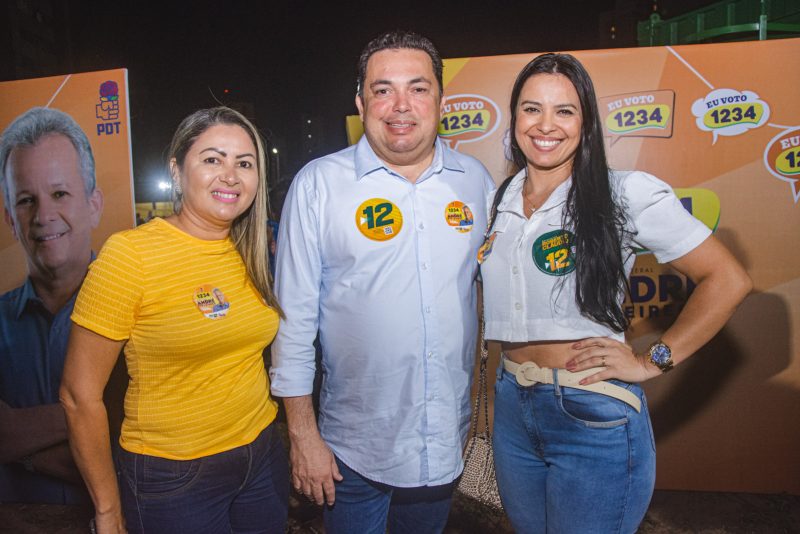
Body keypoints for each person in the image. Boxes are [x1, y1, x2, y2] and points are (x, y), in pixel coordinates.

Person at [480, 53, 752, 533]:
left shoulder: (624, 193)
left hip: (591, 413)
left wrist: (652, 361)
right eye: (531, 108)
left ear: (586, 123)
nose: (546, 124)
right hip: (513, 410)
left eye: (564, 110)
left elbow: (728, 279)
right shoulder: (497, 200)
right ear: (515, 117)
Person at [270, 30, 495, 533]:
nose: (400, 105)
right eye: (382, 89)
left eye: (418, 88)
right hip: (351, 449)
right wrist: (302, 435)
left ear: (440, 99)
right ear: (360, 100)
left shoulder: (475, 181)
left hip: (442, 439)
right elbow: (293, 321)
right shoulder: (318, 185)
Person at [60, 107, 289, 534]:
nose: (230, 175)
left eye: (244, 163)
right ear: (177, 170)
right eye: (212, 159)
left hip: (261, 455)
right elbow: (78, 395)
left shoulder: (252, 251)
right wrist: (108, 511)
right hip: (175, 477)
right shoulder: (130, 255)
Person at [0, 107, 103, 504]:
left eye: (60, 193)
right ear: (10, 219)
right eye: (26, 200)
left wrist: (18, 446)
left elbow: (139, 463)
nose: (43, 216)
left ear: (94, 204)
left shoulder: (142, 315)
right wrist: (94, 412)